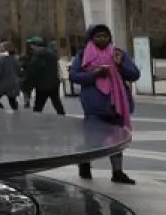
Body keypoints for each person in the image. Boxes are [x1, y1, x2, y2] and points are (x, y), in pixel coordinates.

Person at [71, 23, 139, 185]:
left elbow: (134, 74)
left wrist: (120, 64)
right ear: (91, 38)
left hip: (117, 104)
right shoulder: (83, 55)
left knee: (117, 139)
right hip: (94, 105)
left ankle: (117, 172)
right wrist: (94, 75)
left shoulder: (118, 53)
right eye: (98, 36)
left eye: (105, 36)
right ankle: (84, 163)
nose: (102, 39)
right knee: (92, 139)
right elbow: (74, 76)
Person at [24, 37, 65, 115]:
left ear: (35, 45)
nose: (31, 47)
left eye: (31, 45)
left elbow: (33, 70)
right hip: (54, 83)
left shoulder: (37, 55)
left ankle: (36, 119)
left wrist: (27, 84)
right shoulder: (52, 54)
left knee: (38, 106)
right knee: (57, 103)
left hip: (42, 85)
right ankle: (62, 116)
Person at [0, 40, 21, 110]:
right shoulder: (15, 58)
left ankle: (2, 110)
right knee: (12, 100)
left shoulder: (0, 59)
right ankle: (16, 112)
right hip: (13, 82)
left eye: (1, 47)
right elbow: (19, 71)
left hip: (2, 83)